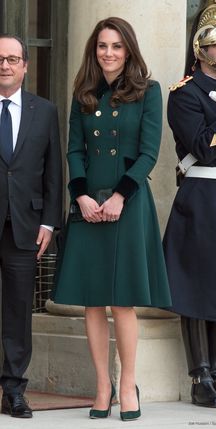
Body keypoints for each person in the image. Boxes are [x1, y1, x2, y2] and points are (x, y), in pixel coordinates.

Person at [53, 16, 171, 421]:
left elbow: (149, 153)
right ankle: (102, 386)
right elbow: (74, 150)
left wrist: (121, 195)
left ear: (129, 50)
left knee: (122, 302)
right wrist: (81, 195)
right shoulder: (83, 92)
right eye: (103, 46)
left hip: (128, 201)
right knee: (92, 300)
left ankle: (127, 384)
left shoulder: (149, 92)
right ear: (94, 50)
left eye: (117, 46)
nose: (109, 53)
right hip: (89, 203)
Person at [163, 0, 216, 408]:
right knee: (196, 286)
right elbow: (203, 148)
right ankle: (200, 377)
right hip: (201, 196)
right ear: (201, 52)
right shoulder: (185, 94)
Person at [0, 34, 62, 418]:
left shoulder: (45, 111)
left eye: (12, 58)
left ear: (25, 65)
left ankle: (13, 389)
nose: (4, 65)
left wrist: (49, 222)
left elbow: (54, 171)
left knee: (20, 310)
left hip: (25, 227)